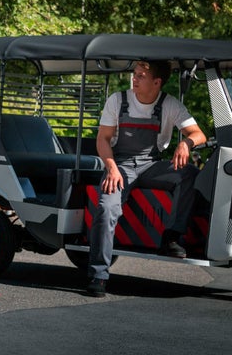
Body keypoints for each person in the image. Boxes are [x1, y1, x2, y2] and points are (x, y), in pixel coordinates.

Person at [86, 60, 207, 298]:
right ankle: (98, 274)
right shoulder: (117, 100)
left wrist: (186, 143)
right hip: (119, 164)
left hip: (152, 164)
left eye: (141, 75)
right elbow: (103, 139)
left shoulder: (170, 104)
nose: (135, 78)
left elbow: (199, 134)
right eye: (135, 74)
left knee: (190, 173)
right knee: (107, 207)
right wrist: (110, 167)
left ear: (156, 82)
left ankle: (172, 237)